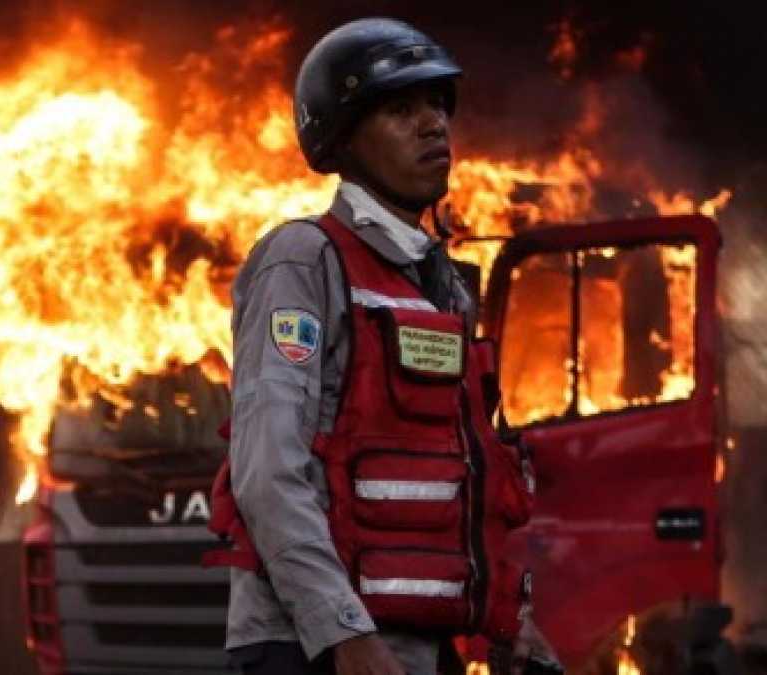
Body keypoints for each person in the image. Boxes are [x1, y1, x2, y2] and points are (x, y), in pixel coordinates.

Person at [204, 18, 561, 675]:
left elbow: (471, 478)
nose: (433, 125)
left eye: (437, 106)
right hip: (310, 648)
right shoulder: (304, 260)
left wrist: (513, 623)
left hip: (417, 649)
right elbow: (268, 470)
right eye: (401, 109)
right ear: (342, 138)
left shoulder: (444, 289)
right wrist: (343, 633)